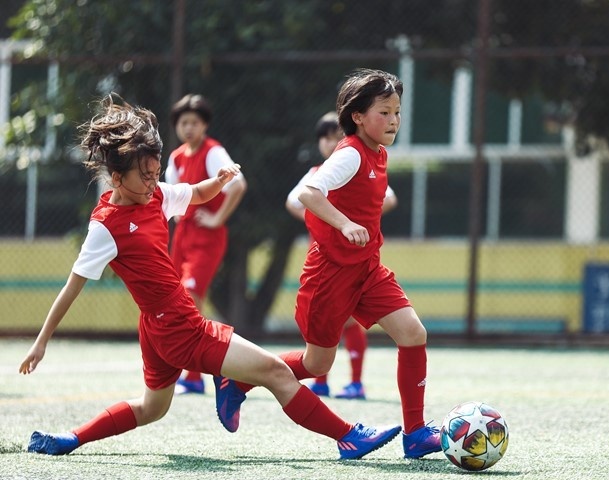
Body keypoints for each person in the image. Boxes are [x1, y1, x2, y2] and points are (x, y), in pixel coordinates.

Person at [18, 95, 401, 460]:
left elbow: (195, 193)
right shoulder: (105, 227)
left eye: (156, 173)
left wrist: (219, 180)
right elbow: (72, 287)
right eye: (145, 176)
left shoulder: (153, 196)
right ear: (116, 178)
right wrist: (41, 342)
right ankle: (348, 436)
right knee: (274, 371)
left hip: (159, 326)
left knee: (152, 407)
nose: (154, 182)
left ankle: (70, 438)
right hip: (178, 327)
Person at [223, 68, 441, 459]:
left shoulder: (379, 153)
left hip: (368, 270)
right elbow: (308, 192)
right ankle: (239, 381)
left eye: (397, 112)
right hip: (330, 275)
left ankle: (416, 434)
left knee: (413, 333)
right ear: (357, 116)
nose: (393, 121)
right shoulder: (350, 154)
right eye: (384, 113)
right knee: (317, 361)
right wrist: (344, 223)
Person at [285, 111, 397, 400]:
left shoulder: (362, 159)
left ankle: (356, 382)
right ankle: (318, 381)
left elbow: (389, 197)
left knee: (356, 322)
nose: (331, 141)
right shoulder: (319, 173)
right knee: (323, 339)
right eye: (325, 136)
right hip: (327, 259)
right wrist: (330, 222)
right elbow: (297, 200)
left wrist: (361, 219)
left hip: (360, 259)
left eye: (336, 135)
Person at [165, 94, 247, 395]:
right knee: (177, 301)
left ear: (205, 125)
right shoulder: (176, 158)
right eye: (183, 122)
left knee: (191, 295)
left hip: (207, 237)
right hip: (183, 237)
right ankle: (187, 369)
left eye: (194, 122)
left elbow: (238, 185)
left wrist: (217, 219)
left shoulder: (213, 152)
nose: (188, 128)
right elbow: (170, 196)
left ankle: (195, 374)